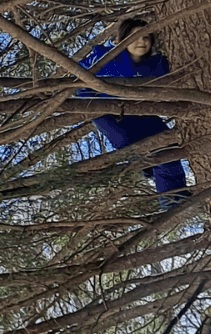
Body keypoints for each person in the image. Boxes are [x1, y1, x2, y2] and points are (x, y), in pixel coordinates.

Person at [79, 16, 191, 211]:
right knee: (139, 147)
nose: (142, 41)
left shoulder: (157, 65)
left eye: (147, 37)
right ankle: (151, 175)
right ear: (121, 40)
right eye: (135, 36)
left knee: (168, 145)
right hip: (111, 115)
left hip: (142, 113)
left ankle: (174, 197)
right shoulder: (105, 57)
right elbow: (79, 79)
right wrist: (92, 106)